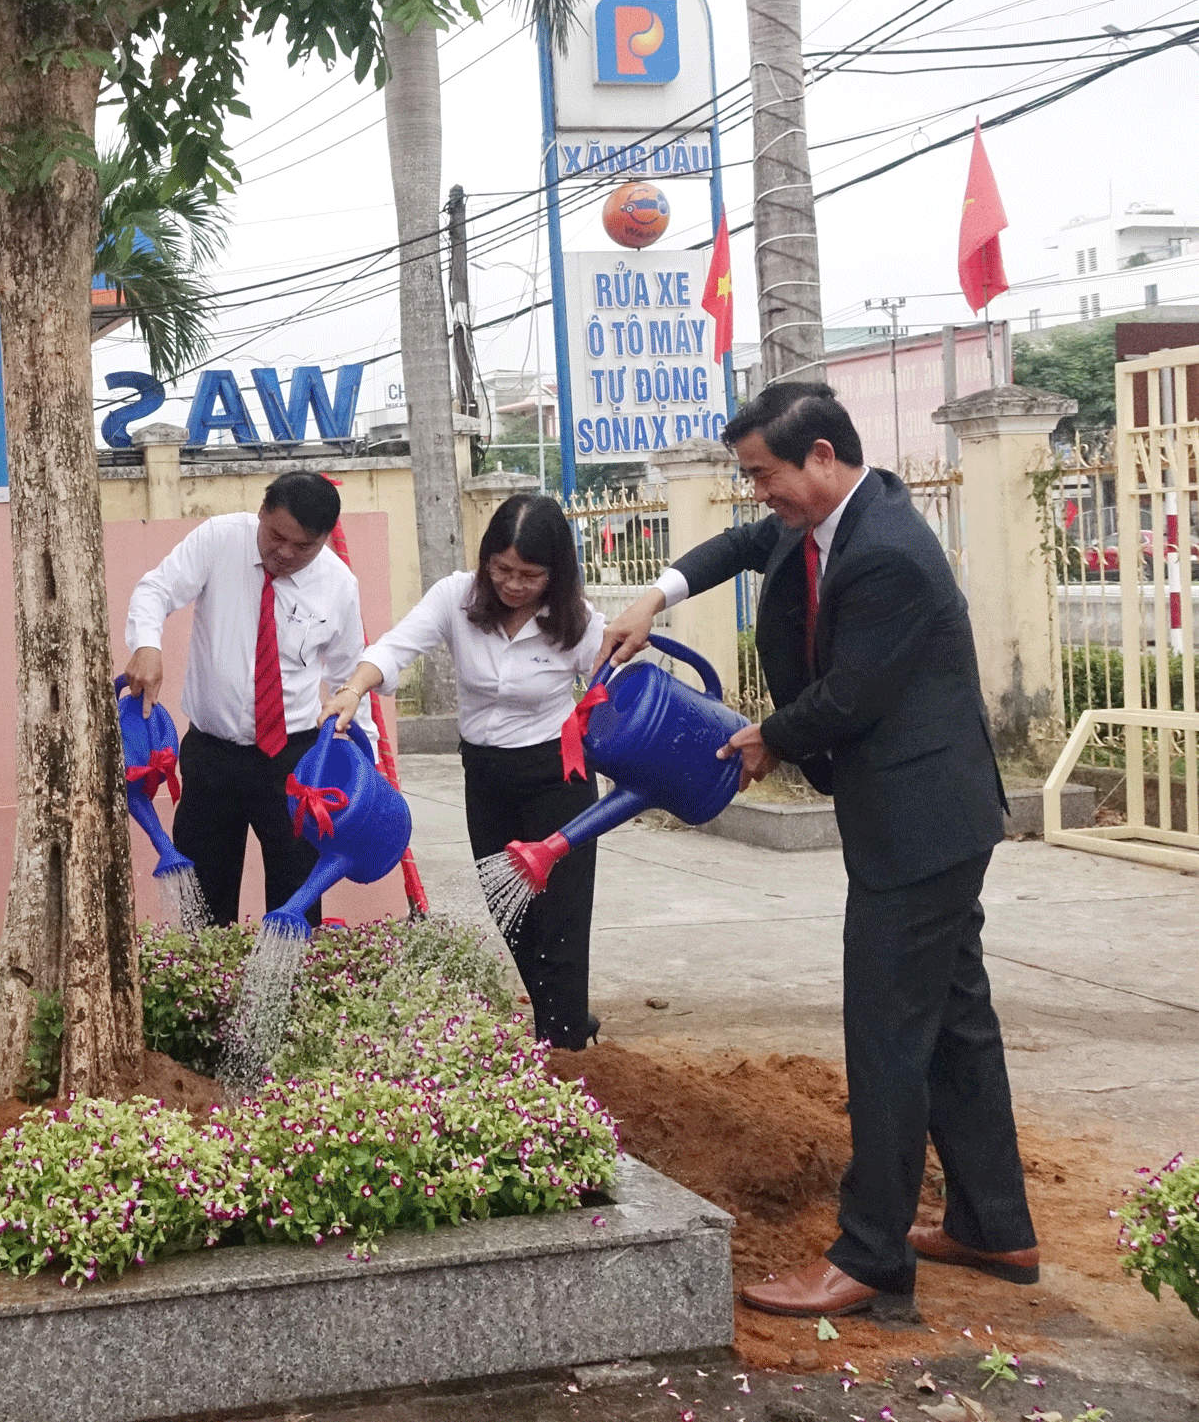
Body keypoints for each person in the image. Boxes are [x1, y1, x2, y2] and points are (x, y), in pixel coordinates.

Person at [601, 381, 1034, 1319]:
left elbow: (851, 698)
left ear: (824, 459)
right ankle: (995, 1222)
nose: (758, 492)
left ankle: (870, 1254)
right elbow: (739, 544)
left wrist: (764, 736)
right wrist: (654, 596)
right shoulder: (820, 522)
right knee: (955, 1017)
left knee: (886, 1036)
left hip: (920, 829)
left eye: (764, 474)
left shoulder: (889, 556)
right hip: (923, 818)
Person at [350, 493, 605, 1048]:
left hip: (558, 782)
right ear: (487, 559)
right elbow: (395, 646)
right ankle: (561, 1016)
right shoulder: (456, 599)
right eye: (503, 570)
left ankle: (563, 1047)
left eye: (530, 575)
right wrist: (353, 687)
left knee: (560, 919)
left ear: (555, 574)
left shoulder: (579, 624)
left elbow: (618, 685)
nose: (514, 585)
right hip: (486, 779)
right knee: (511, 913)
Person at [122, 471, 367, 926]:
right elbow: (155, 590)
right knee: (204, 901)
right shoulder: (220, 540)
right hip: (212, 756)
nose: (286, 553)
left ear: (324, 539)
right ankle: (205, 991)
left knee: (297, 898)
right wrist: (147, 645)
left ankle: (292, 991)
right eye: (276, 536)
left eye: (304, 546)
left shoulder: (338, 585)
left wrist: (361, 768)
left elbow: (350, 676)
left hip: (295, 762)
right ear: (262, 512)